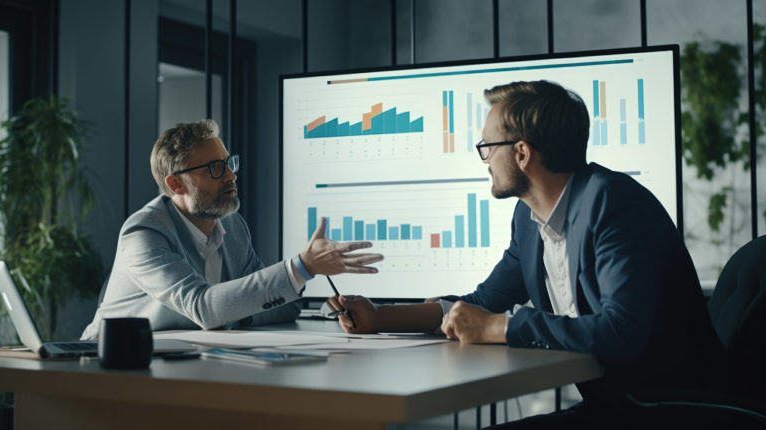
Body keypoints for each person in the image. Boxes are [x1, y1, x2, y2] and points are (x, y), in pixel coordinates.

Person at [326, 81, 727, 428]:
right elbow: (482, 304)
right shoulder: (529, 218)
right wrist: (380, 317)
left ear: (521, 153)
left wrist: (503, 327)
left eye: (487, 147)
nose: (484, 161)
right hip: (615, 409)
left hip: (669, 411)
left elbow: (623, 332)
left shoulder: (611, 202)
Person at [82, 119, 382, 339]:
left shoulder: (231, 224)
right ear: (175, 184)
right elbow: (203, 308)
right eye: (214, 168)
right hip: (107, 368)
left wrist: (233, 311)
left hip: (182, 362)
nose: (230, 175)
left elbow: (283, 306)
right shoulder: (144, 234)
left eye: (228, 163)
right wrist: (300, 267)